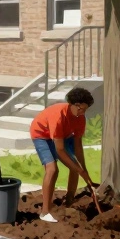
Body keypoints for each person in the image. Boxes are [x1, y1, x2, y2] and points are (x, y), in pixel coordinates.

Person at [29, 88, 98, 222]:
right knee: (52, 169)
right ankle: (45, 212)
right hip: (41, 134)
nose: (83, 113)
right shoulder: (59, 117)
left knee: (75, 166)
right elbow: (60, 150)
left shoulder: (80, 118)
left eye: (85, 109)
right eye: (81, 109)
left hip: (63, 135)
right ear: (74, 105)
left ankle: (69, 200)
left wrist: (84, 171)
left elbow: (78, 146)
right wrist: (80, 170)